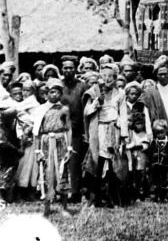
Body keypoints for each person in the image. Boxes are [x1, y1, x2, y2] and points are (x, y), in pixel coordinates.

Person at [82, 63, 128, 207]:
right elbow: (86, 112)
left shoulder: (120, 93)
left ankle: (113, 196)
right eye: (104, 76)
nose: (107, 80)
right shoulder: (94, 92)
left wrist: (123, 135)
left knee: (114, 163)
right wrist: (96, 104)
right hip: (98, 130)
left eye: (110, 77)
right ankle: (95, 196)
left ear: (115, 78)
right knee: (97, 162)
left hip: (114, 129)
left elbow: (123, 114)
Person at [32, 77, 73, 217]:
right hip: (45, 143)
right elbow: (36, 132)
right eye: (51, 92)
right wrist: (37, 151)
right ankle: (47, 208)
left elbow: (68, 129)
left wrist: (69, 148)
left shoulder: (64, 109)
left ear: (61, 94)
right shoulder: (41, 109)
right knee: (46, 173)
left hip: (61, 141)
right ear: (46, 94)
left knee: (62, 172)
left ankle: (64, 207)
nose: (54, 95)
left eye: (57, 92)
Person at [60, 55, 87, 202]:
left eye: (71, 67)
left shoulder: (82, 86)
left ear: (75, 69)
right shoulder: (59, 86)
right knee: (61, 161)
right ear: (62, 69)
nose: (68, 70)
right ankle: (61, 192)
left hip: (77, 130)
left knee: (75, 162)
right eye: (65, 68)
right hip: (61, 130)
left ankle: (75, 192)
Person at [148, 119, 168, 202]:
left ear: (166, 131)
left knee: (164, 181)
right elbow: (150, 154)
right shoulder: (153, 142)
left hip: (165, 166)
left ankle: (164, 196)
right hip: (155, 166)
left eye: (161, 132)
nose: (159, 134)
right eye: (157, 132)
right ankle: (155, 196)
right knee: (155, 181)